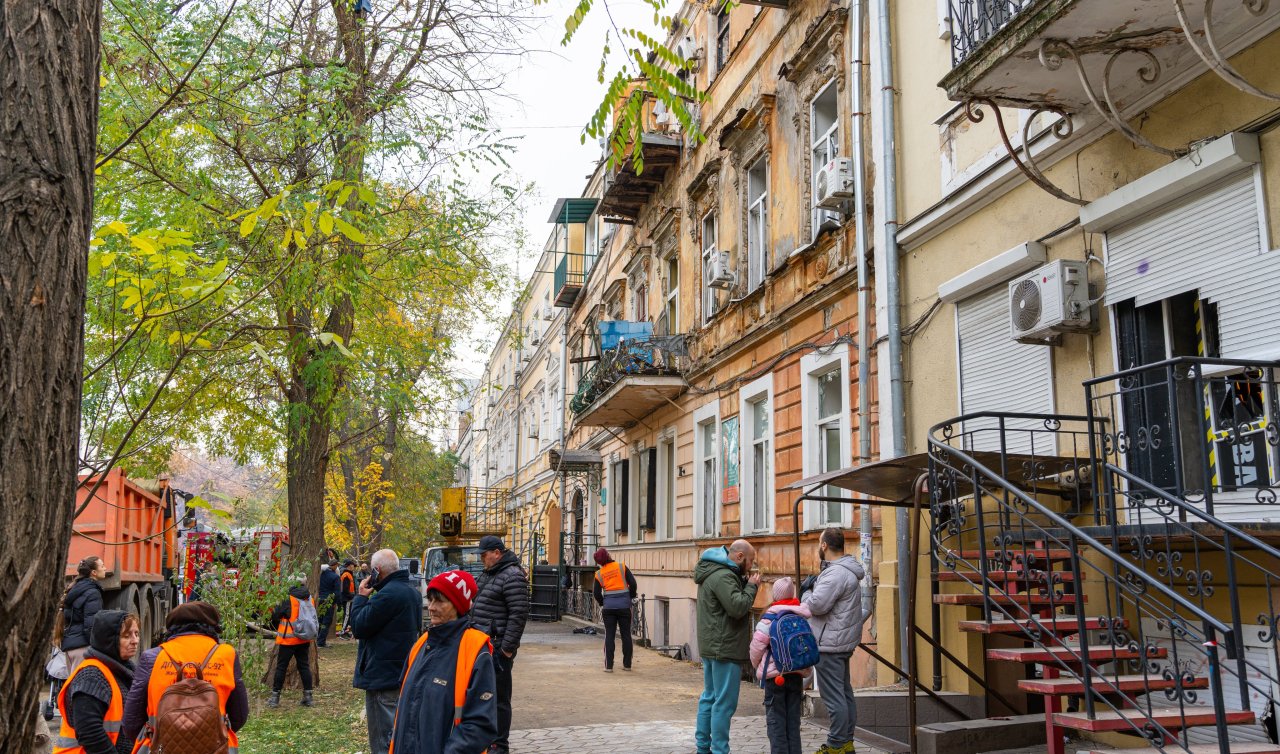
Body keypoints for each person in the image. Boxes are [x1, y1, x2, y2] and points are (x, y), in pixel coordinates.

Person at [388, 569, 498, 754]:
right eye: (430, 600)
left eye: (440, 601)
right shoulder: (422, 643)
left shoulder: (475, 650)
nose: (431, 607)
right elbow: (404, 705)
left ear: (457, 605)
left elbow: (481, 724)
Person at [121, 602, 249, 753]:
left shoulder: (152, 658)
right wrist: (210, 736)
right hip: (216, 748)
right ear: (212, 627)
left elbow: (131, 722)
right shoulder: (227, 655)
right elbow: (239, 715)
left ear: (172, 628)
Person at [350, 548, 423, 754]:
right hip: (401, 671)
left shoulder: (387, 595)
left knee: (384, 739)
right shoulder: (411, 592)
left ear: (376, 570)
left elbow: (359, 627)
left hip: (382, 676)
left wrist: (361, 597)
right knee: (398, 734)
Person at [802, 528, 866, 754]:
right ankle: (846, 742)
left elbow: (817, 605)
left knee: (834, 698)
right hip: (840, 642)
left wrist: (807, 591)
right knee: (844, 694)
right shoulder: (845, 570)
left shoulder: (836, 573)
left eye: (819, 543)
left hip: (829, 643)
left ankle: (836, 745)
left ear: (824, 546)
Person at [694, 539, 761, 754]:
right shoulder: (724, 576)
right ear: (739, 557)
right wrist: (751, 587)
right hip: (725, 647)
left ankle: (703, 748)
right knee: (724, 703)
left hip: (713, 644)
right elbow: (737, 607)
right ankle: (720, 750)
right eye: (750, 561)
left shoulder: (714, 571)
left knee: (710, 697)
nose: (751, 566)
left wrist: (743, 583)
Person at [471, 535, 529, 754]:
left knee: (499, 699)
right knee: (483, 696)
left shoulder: (512, 575)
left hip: (497, 648)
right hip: (482, 645)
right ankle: (486, 740)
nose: (482, 559)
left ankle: (499, 745)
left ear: (497, 552)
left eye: (484, 555)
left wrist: (507, 649)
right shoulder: (489, 573)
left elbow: (519, 614)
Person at [54, 609, 139, 754]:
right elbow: (89, 733)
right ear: (108, 640)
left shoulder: (121, 670)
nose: (135, 641)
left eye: (136, 634)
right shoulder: (91, 676)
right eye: (126, 636)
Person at [750, 578, 814, 754]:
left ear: (775, 595)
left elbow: (756, 647)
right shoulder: (801, 615)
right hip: (796, 675)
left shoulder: (769, 618)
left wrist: (758, 666)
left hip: (775, 677)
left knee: (776, 722)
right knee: (793, 722)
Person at [268, 574, 315, 708]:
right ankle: (308, 697)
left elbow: (275, 615)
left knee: (281, 668)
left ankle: (275, 698)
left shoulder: (288, 598)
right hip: (304, 638)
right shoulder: (309, 598)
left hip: (288, 639)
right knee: (304, 666)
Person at [591, 547, 637, 672]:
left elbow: (596, 593)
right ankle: (627, 665)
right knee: (626, 635)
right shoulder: (621, 567)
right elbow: (633, 584)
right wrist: (631, 596)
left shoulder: (599, 574)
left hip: (608, 608)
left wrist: (603, 603)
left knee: (609, 636)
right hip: (624, 607)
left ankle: (609, 666)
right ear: (608, 555)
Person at [62, 556, 107, 669]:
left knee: (74, 685)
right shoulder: (93, 593)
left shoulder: (75, 588)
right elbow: (90, 626)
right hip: (82, 649)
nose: (105, 568)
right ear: (94, 572)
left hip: (70, 647)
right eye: (102, 566)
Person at [318, 561, 340, 647]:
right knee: (326, 621)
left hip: (320, 599)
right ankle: (321, 642)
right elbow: (337, 592)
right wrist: (337, 603)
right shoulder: (335, 577)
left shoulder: (321, 574)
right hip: (329, 601)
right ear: (334, 566)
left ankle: (317, 639)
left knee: (320, 620)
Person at [339, 560, 358, 638]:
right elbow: (345, 589)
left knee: (348, 614)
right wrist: (351, 596)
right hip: (347, 599)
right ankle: (343, 632)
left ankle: (345, 630)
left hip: (349, 598)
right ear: (349, 565)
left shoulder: (349, 574)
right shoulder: (346, 574)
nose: (354, 567)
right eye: (353, 565)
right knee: (347, 615)